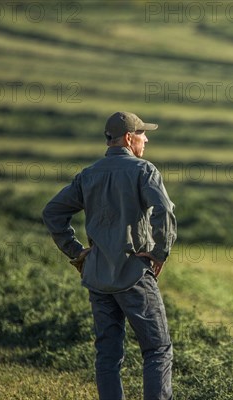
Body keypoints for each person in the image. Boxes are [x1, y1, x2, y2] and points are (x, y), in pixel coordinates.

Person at [42, 111, 177, 400]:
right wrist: (158, 253)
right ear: (129, 138)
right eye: (142, 134)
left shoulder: (88, 175)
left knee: (107, 356)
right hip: (134, 274)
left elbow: (52, 212)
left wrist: (77, 252)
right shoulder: (144, 170)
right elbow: (164, 211)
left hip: (98, 277)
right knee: (157, 350)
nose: (147, 139)